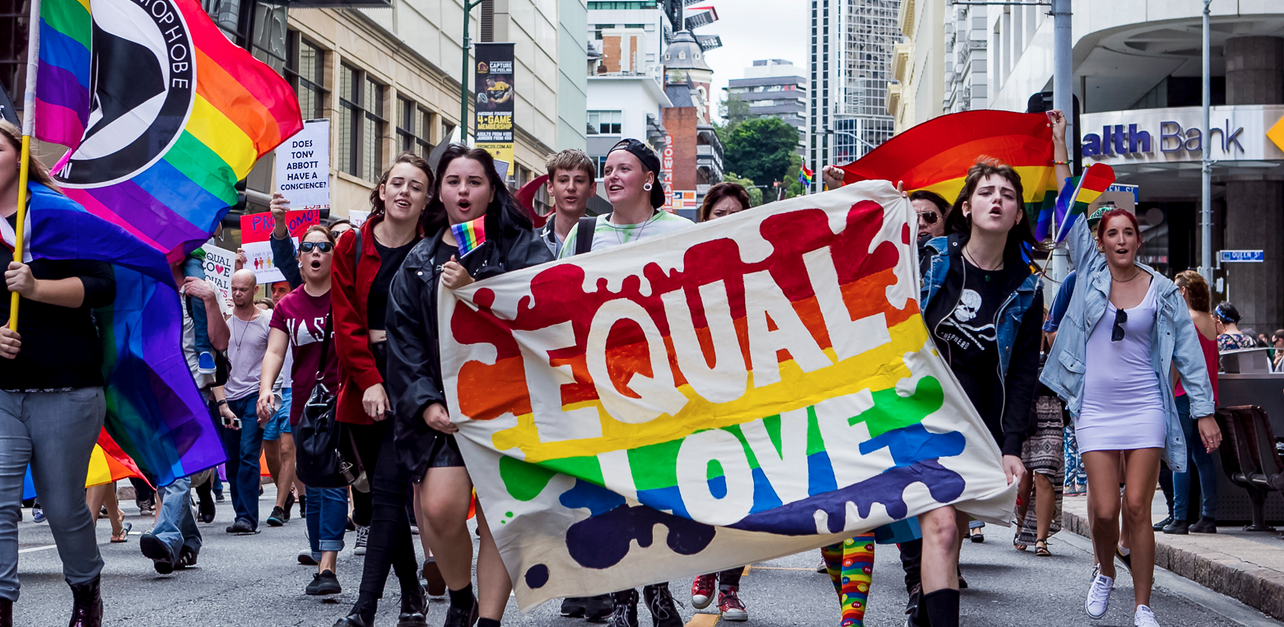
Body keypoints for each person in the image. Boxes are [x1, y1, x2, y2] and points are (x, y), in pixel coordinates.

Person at [1039, 110, 1220, 627]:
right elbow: (1068, 203)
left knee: (1137, 505)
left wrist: (1203, 413)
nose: (1120, 240)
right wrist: (1058, 141)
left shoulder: (1163, 291)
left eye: (1128, 233)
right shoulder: (1090, 273)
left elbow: (1187, 353)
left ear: (1139, 240)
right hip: (1095, 405)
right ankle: (1103, 571)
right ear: (1099, 243)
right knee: (1102, 511)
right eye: (1111, 233)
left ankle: (1143, 605)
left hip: (1145, 405)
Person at [386, 144, 553, 627]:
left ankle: (489, 620)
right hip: (447, 413)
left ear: (491, 189)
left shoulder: (520, 245)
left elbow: (541, 306)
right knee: (439, 509)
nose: (464, 190)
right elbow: (405, 342)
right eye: (454, 181)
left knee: (498, 519)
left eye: (474, 181)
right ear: (440, 189)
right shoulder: (418, 260)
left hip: (508, 407)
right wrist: (424, 403)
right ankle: (462, 596)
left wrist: (479, 281)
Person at [556, 139, 693, 627]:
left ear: (650, 179)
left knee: (652, 490)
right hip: (600, 384)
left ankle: (656, 590)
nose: (611, 177)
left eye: (624, 169)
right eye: (607, 169)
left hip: (664, 383)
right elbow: (561, 299)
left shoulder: (681, 231)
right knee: (611, 492)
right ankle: (624, 602)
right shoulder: (586, 233)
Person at [0, 119, 118, 626]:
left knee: (63, 504)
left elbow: (103, 285)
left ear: (20, 154)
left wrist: (36, 289)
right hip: (2, 393)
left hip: (68, 390)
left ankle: (86, 588)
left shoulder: (62, 215)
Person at [916, 156, 1042, 627]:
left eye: (1008, 196)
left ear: (1016, 216)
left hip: (978, 431)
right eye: (987, 192)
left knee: (951, 535)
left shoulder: (1026, 289)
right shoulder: (932, 261)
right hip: (921, 419)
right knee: (943, 527)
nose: (998, 200)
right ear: (966, 207)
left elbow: (1024, 376)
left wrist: (1012, 447)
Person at [330, 153, 434, 627]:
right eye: (397, 182)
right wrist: (369, 380)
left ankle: (364, 607)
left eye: (415, 185)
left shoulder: (436, 248)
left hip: (413, 379)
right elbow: (345, 321)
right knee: (379, 499)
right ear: (382, 189)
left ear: (427, 198)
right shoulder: (350, 245)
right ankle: (412, 595)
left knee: (391, 491)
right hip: (363, 380)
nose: (404, 192)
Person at [257, 225, 347, 596]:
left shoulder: (347, 297)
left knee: (333, 480)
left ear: (332, 255)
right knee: (310, 480)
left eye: (323, 247)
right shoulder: (287, 305)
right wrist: (265, 391)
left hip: (342, 402)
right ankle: (318, 548)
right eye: (308, 247)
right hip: (303, 404)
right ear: (300, 257)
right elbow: (276, 352)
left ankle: (329, 564)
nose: (315, 253)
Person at [139, 257, 228, 575]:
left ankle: (165, 538)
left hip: (193, 392)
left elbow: (221, 342)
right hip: (156, 392)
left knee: (175, 471)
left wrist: (210, 299)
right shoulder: (146, 285)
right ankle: (188, 542)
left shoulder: (198, 287)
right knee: (166, 470)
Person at [688, 181, 751, 622]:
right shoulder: (682, 264)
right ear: (704, 219)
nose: (727, 221)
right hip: (695, 392)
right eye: (718, 214)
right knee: (701, 484)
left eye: (736, 214)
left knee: (743, 490)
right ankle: (703, 570)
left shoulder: (760, 264)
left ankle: (729, 587)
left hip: (749, 393)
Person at [1163, 271, 1220, 536]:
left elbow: (1177, 363)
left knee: (1180, 458)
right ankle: (1208, 517)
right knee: (1203, 458)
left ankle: (1180, 517)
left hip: (1183, 394)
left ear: (1183, 292)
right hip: (1208, 398)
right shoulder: (1212, 322)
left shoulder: (1185, 321)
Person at [216, 269, 272, 534]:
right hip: (227, 397)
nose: (238, 293)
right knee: (232, 459)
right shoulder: (224, 320)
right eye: (234, 289)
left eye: (243, 289)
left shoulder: (267, 321)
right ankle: (241, 513)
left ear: (254, 290)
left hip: (253, 395)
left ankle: (248, 517)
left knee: (249, 454)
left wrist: (271, 396)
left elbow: (276, 360)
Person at [538, 149, 597, 256]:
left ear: (592, 188)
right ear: (550, 187)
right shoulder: (529, 244)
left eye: (579, 181)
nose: (571, 187)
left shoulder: (604, 242)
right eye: (563, 180)